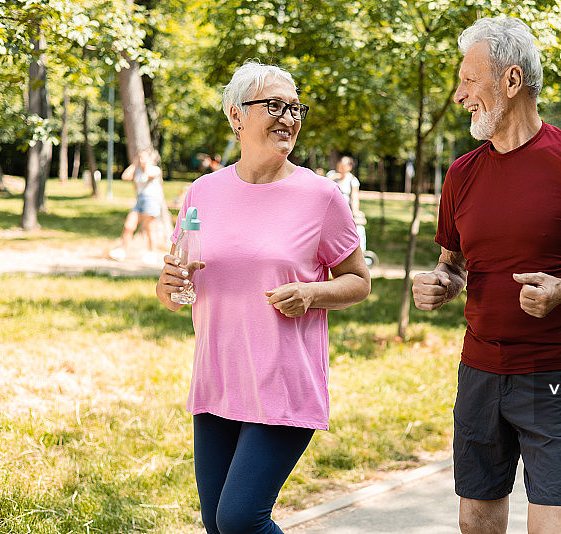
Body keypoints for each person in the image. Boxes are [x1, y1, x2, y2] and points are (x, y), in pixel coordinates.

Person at [411, 16, 561, 534]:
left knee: (551, 519)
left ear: (511, 81)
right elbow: (452, 265)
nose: (459, 96)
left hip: (559, 370)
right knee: (475, 514)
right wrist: (439, 284)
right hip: (479, 370)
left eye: (469, 80)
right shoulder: (461, 173)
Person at [155, 60, 370, 534]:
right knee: (216, 524)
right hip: (217, 384)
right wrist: (168, 286)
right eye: (274, 105)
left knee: (239, 520)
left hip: (283, 386)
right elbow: (175, 284)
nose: (288, 118)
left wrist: (312, 293)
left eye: (295, 109)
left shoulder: (320, 196)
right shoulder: (201, 193)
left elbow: (359, 280)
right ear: (236, 117)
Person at [109, 148, 163, 263]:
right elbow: (125, 177)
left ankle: (151, 253)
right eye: (140, 157)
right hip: (139, 201)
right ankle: (122, 251)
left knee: (149, 228)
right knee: (129, 226)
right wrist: (134, 164)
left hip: (150, 201)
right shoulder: (137, 170)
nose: (141, 159)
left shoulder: (155, 169)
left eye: (144, 157)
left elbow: (148, 174)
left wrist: (146, 164)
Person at [327, 156, 367, 252]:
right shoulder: (332, 176)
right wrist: (332, 179)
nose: (341, 168)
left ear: (349, 167)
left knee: (359, 228)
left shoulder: (352, 180)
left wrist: (355, 212)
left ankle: (361, 251)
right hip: (331, 210)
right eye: (339, 166)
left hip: (345, 210)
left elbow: (354, 197)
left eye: (343, 166)